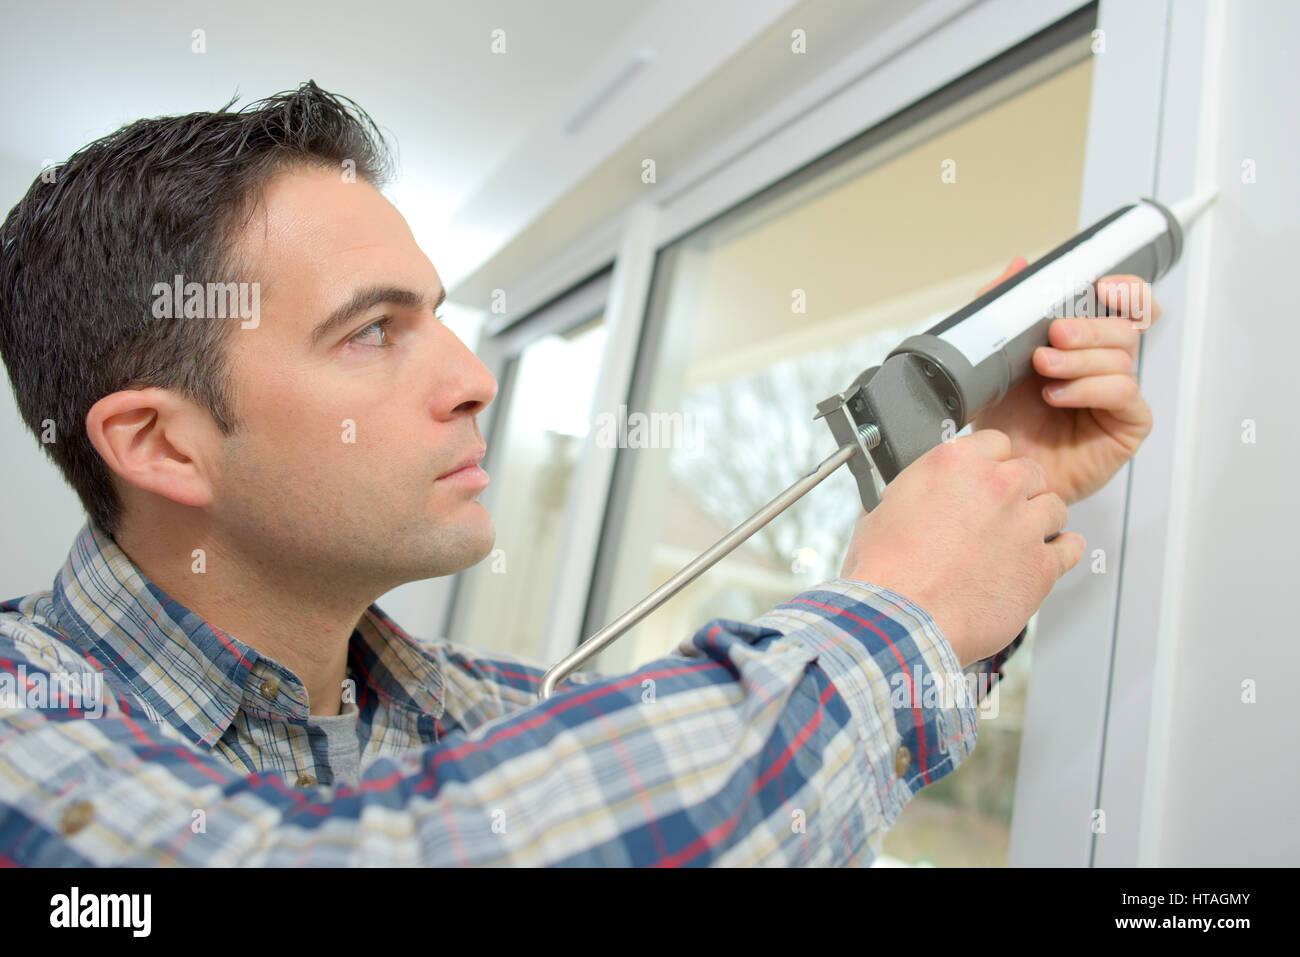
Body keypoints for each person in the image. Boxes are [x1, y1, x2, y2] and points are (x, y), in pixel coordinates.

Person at [0, 82, 1159, 866]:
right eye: (372, 332)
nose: (471, 378)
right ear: (160, 445)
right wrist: (893, 614)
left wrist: (1007, 475)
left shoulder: (486, 717)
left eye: (440, 318)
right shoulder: (25, 727)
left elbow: (709, 813)